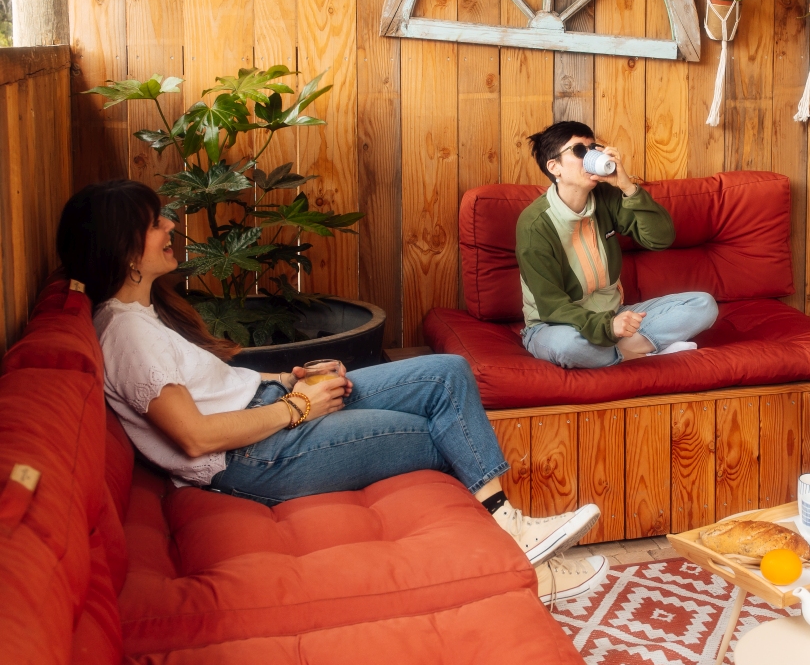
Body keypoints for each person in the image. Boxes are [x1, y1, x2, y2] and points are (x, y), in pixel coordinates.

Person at [57, 179, 609, 602]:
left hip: (269, 413)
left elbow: (210, 388)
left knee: (447, 373)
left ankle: (511, 530)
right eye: (156, 222)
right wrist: (299, 406)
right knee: (434, 434)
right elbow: (196, 437)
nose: (170, 225)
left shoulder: (141, 315)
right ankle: (521, 555)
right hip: (257, 456)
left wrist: (288, 380)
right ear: (126, 249)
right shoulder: (127, 334)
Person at [517, 121, 718, 368]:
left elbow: (660, 238)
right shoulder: (535, 224)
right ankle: (648, 353)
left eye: (593, 148)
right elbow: (552, 305)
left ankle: (618, 354)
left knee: (703, 305)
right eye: (579, 150)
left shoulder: (606, 198)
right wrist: (606, 327)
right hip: (555, 325)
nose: (590, 156)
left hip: (614, 315)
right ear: (554, 167)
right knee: (569, 347)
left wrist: (627, 187)